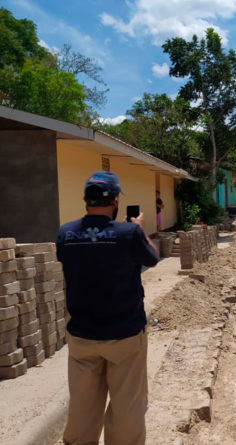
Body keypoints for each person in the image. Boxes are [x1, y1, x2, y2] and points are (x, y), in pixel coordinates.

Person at [56, 171, 159, 445]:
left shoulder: (65, 233)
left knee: (82, 406)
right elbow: (153, 257)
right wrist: (138, 228)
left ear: (84, 200)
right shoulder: (129, 233)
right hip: (124, 336)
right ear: (115, 200)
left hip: (82, 338)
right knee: (127, 408)